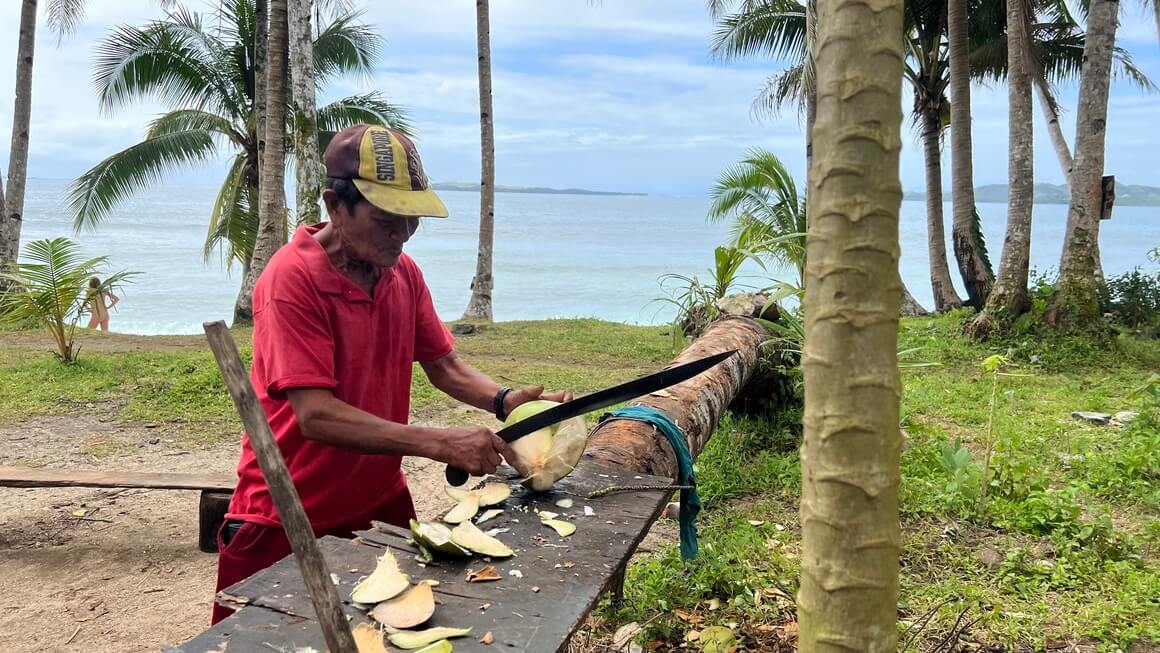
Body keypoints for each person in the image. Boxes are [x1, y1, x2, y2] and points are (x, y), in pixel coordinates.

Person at [211, 124, 572, 625]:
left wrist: (506, 401)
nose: (402, 234)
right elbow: (315, 415)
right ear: (336, 206)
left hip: (379, 502)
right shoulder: (291, 279)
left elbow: (443, 365)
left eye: (411, 219)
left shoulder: (402, 273)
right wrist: (439, 442)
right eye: (387, 219)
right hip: (289, 513)